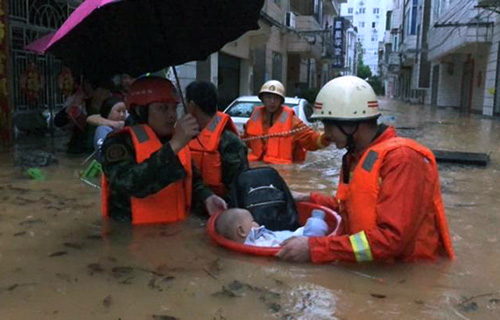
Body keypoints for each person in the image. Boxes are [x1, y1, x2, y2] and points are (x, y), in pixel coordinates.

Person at [277, 76, 455, 263]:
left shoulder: (402, 159)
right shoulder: (356, 157)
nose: (326, 134)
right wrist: (305, 198)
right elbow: (349, 208)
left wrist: (316, 248)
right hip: (373, 271)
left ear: (351, 124)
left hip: (399, 279)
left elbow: (392, 241)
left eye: (329, 125)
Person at [100, 76, 226, 224]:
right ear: (140, 110)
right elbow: (129, 184)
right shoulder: (118, 143)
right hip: (131, 234)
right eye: (162, 108)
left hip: (174, 230)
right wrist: (174, 146)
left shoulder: (175, 139)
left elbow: (192, 180)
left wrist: (207, 197)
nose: (172, 115)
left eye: (174, 108)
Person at [186, 81, 248, 199]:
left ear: (192, 106)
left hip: (217, 209)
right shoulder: (183, 137)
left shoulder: (229, 141)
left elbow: (238, 189)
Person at [243, 80, 329, 164]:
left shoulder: (293, 122)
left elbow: (309, 140)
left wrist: (325, 137)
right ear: (262, 99)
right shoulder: (253, 120)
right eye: (268, 97)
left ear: (281, 101)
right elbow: (245, 141)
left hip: (283, 170)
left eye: (276, 98)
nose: (272, 101)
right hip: (257, 167)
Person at [215, 208, 329, 247]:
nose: (256, 222)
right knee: (316, 227)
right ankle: (317, 218)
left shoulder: (251, 238)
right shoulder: (251, 239)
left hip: (293, 235)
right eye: (252, 221)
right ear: (241, 231)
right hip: (300, 238)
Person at [93, 96, 127, 162]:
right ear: (107, 112)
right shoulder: (102, 129)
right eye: (118, 111)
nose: (122, 115)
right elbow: (102, 151)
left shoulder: (124, 125)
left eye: (124, 111)